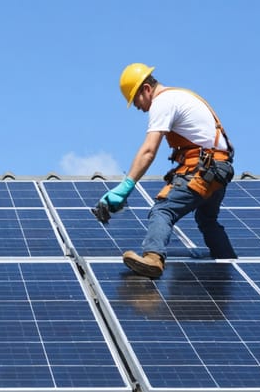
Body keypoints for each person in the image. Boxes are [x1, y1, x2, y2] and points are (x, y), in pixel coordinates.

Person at [98, 63, 237, 278]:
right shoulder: (180, 96)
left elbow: (148, 150)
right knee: (207, 220)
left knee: (162, 210)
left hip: (203, 169)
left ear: (146, 89)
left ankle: (153, 258)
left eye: (136, 100)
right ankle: (228, 263)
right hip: (219, 170)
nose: (138, 107)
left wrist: (126, 186)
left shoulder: (162, 102)